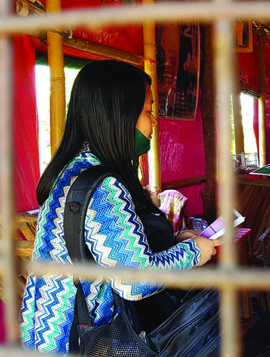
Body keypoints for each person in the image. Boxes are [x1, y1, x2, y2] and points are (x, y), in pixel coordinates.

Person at [20, 60, 220, 353]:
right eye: (148, 110)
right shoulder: (103, 186)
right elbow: (133, 282)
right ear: (121, 116)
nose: (154, 121)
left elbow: (111, 255)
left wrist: (174, 242)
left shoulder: (74, 170)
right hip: (78, 342)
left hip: (46, 336)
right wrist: (194, 252)